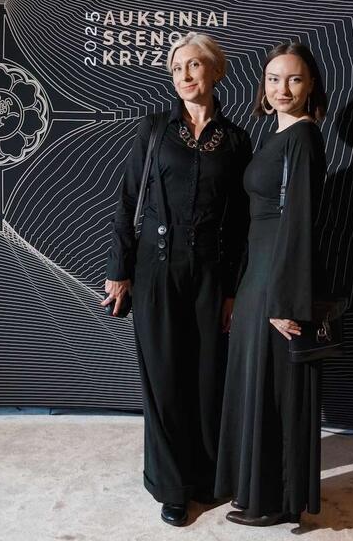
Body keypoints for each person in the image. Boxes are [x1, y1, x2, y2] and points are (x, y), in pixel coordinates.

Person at [101, 32, 252, 527]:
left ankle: (205, 478)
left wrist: (232, 289)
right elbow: (128, 201)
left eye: (194, 65)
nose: (184, 75)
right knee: (165, 380)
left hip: (210, 273)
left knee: (207, 379)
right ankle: (171, 487)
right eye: (176, 68)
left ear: (216, 71)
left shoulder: (236, 140)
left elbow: (241, 221)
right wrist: (119, 271)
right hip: (155, 270)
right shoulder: (153, 129)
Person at [215, 42, 329, 526]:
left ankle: (278, 502)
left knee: (277, 391)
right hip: (258, 276)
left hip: (277, 283)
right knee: (258, 388)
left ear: (311, 86)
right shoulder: (275, 135)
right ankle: (256, 492)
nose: (283, 88)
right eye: (274, 79)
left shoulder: (303, 138)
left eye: (294, 79)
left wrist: (286, 301)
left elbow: (299, 223)